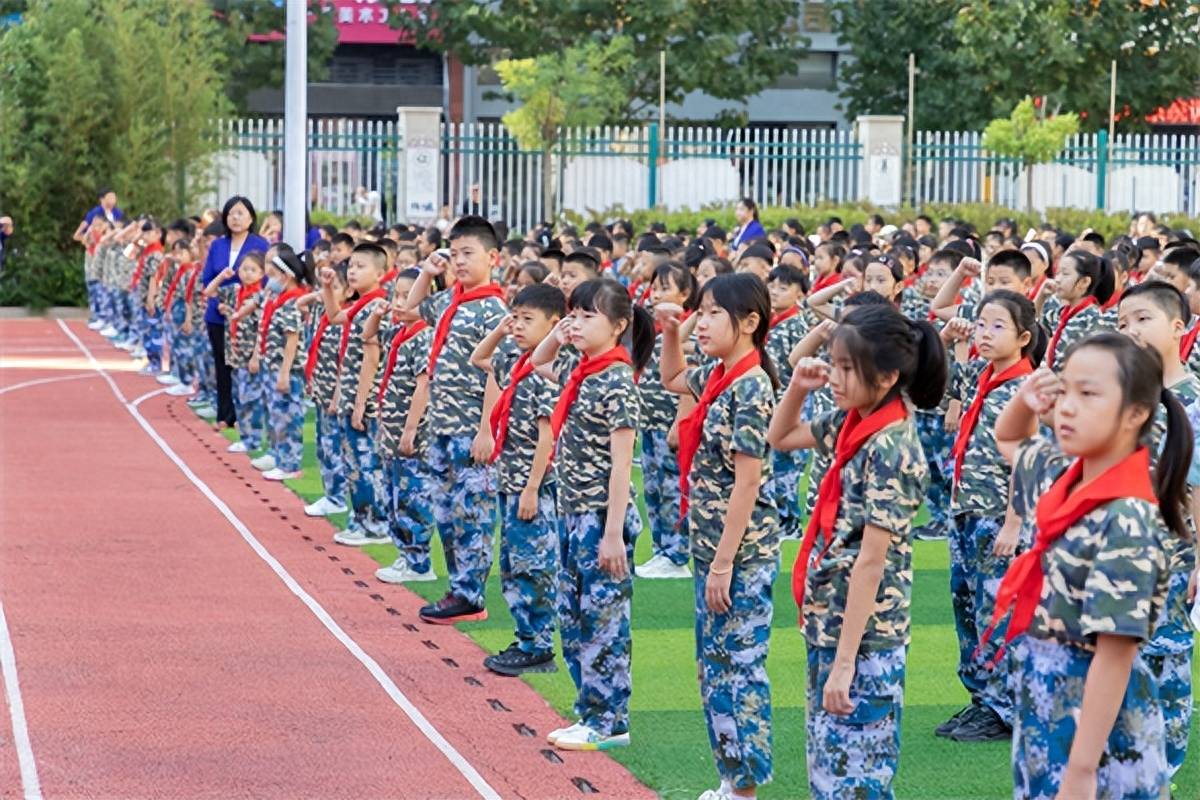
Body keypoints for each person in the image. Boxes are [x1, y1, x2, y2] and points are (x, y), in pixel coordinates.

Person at [992, 334, 1186, 799]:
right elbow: (1009, 438)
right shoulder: (1066, 476)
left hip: (1098, 728)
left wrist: (1080, 771)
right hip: (1047, 701)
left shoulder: (1128, 515)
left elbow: (1114, 653)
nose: (1068, 408)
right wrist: (1026, 398)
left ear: (1136, 413)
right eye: (1065, 392)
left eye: (1089, 394)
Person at [768, 303, 947, 799]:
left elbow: (872, 561)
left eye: (848, 368)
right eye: (834, 363)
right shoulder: (854, 422)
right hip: (834, 619)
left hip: (867, 637)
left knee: (856, 779)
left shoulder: (891, 445)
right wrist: (798, 387)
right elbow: (781, 437)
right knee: (829, 770)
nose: (836, 377)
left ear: (888, 376)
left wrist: (846, 662)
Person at [658, 273, 780, 800]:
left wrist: (725, 563)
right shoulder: (718, 374)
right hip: (712, 547)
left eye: (711, 313)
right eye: (699, 312)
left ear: (750, 322)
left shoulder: (751, 386)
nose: (701, 323)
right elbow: (671, 379)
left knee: (739, 671)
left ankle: (745, 788)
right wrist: (670, 332)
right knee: (714, 668)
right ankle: (732, 780)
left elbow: (748, 480)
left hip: (741, 553)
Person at [532, 278, 652, 751]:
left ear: (619, 326)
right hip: (573, 511)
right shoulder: (582, 371)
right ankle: (590, 709)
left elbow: (623, 464)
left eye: (587, 316)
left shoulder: (617, 381)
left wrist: (613, 534)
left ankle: (608, 718)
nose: (576, 324)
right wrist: (557, 335)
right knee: (574, 618)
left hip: (602, 516)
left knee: (603, 623)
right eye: (573, 314)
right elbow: (537, 361)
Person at [939, 290, 1043, 743]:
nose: (984, 333)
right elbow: (937, 384)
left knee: (997, 612)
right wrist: (949, 338)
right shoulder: (983, 376)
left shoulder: (1026, 388)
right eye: (981, 323)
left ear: (1023, 337)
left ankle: (1005, 708)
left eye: (996, 326)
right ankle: (982, 698)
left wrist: (1015, 522)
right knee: (968, 606)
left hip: (998, 516)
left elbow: (1028, 461)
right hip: (966, 511)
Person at [402, 216, 508, 624]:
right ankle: (458, 587)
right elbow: (412, 308)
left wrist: (486, 430)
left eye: (469, 254)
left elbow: (495, 373)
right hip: (442, 424)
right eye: (455, 253)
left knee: (473, 513)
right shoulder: (450, 299)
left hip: (469, 426)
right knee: (446, 511)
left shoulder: (493, 310)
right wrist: (428, 273)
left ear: (493, 257)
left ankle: (471, 595)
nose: (459, 262)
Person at [1116, 280, 1200, 779]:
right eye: (1123, 322)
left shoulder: (1191, 399)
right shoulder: (1124, 395)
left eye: (1142, 319)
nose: (1131, 330)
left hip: (1171, 567)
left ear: (1178, 326)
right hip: (1119, 565)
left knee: (1165, 679)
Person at [470, 283, 566, 675]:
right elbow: (480, 358)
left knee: (533, 565)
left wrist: (530, 489)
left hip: (533, 486)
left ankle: (538, 644)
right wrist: (501, 327)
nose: (519, 326)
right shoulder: (517, 359)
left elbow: (548, 437)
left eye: (528, 320)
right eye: (516, 318)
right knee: (511, 564)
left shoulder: (547, 371)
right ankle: (526, 636)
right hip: (510, 479)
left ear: (555, 325)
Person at [368, 269, 436, 584]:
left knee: (413, 495)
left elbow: (423, 385)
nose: (398, 302)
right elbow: (367, 336)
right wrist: (378, 314)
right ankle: (405, 555)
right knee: (396, 494)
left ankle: (419, 562)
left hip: (413, 432)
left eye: (407, 296)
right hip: (392, 426)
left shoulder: (423, 336)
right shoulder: (400, 332)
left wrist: (410, 429)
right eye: (395, 294)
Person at [324, 243, 391, 545]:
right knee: (354, 461)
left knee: (365, 463)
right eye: (351, 265)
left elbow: (372, 358)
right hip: (352, 395)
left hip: (366, 399)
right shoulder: (362, 304)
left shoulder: (377, 306)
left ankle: (374, 525)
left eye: (361, 266)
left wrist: (360, 403)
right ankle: (362, 520)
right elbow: (334, 315)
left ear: (380, 273)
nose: (352, 271)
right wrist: (328, 287)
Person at [636, 261, 698, 579]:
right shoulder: (653, 328)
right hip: (649, 421)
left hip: (670, 424)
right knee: (653, 488)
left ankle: (677, 554)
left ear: (685, 294)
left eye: (666, 288)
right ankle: (661, 548)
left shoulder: (688, 332)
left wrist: (679, 422)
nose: (657, 294)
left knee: (673, 487)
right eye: (655, 287)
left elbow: (688, 381)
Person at [200, 197, 270, 430]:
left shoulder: (261, 245)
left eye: (240, 213)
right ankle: (225, 414)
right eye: (231, 213)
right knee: (222, 365)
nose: (236, 218)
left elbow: (267, 281)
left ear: (251, 218)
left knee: (244, 367)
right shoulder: (218, 245)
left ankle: (245, 417)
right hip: (218, 314)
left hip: (249, 318)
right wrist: (221, 302)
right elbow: (207, 279)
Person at [763, 264, 809, 541]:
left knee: (786, 466)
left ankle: (790, 521)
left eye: (784, 288)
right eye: (773, 286)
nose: (775, 292)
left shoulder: (796, 324)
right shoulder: (770, 321)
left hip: (789, 404)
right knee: (772, 463)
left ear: (799, 294)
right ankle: (780, 516)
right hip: (770, 402)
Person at [301, 262, 350, 518]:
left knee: (333, 447)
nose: (331, 291)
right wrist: (325, 289)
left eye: (338, 287)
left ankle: (337, 496)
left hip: (334, 394)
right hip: (322, 390)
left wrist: (337, 396)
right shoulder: (326, 316)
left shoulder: (345, 321)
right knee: (322, 445)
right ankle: (330, 492)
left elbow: (344, 362)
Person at [259, 249, 312, 481]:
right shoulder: (281, 299)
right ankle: (282, 460)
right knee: (279, 417)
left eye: (276, 273)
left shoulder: (292, 302)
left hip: (289, 370)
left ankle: (290, 465)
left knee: (290, 419)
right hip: (277, 366)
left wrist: (284, 373)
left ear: (286, 276)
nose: (272, 277)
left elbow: (292, 340)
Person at [206, 251, 266, 452]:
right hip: (235, 352)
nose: (248, 273)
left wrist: (256, 355)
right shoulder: (234, 290)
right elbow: (209, 292)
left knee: (251, 398)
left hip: (250, 354)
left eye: (253, 270)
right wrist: (222, 276)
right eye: (244, 269)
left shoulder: (261, 297)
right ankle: (245, 436)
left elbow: (262, 328)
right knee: (239, 395)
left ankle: (253, 439)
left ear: (262, 274)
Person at [1042, 250, 1115, 371]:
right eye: (1058, 273)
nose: (1058, 279)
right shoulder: (1062, 313)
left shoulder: (1094, 320)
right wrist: (1041, 296)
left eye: (1065, 274)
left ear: (1084, 282)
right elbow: (1036, 328)